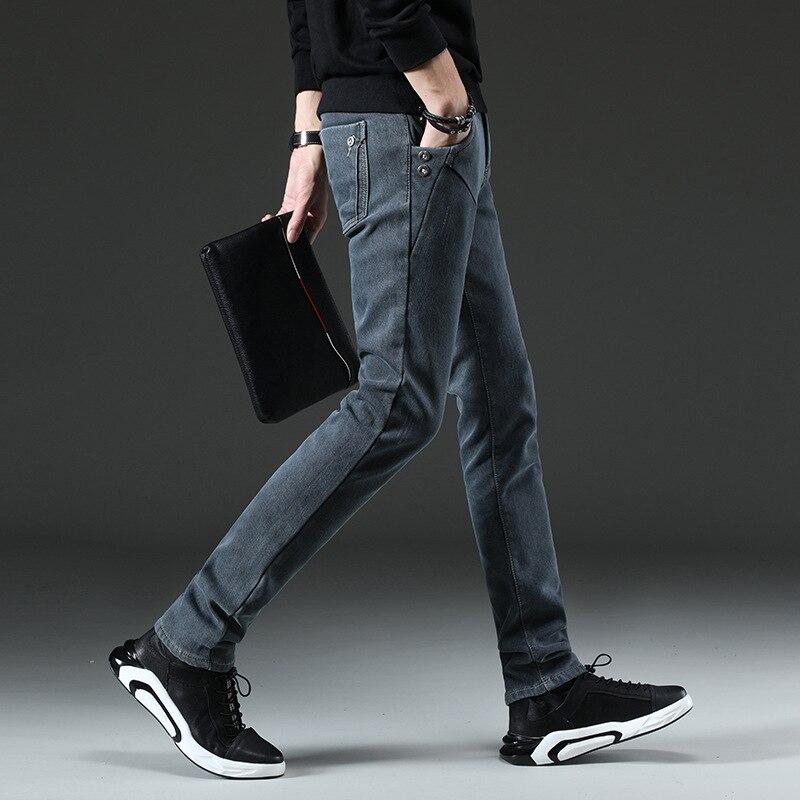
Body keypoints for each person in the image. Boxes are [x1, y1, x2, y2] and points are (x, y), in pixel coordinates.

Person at [109, 0, 691, 779]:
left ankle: (545, 685)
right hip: (412, 119)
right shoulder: (428, 104)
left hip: (412, 121)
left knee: (500, 398)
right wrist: (444, 101)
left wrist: (310, 132)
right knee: (395, 403)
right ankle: (188, 640)